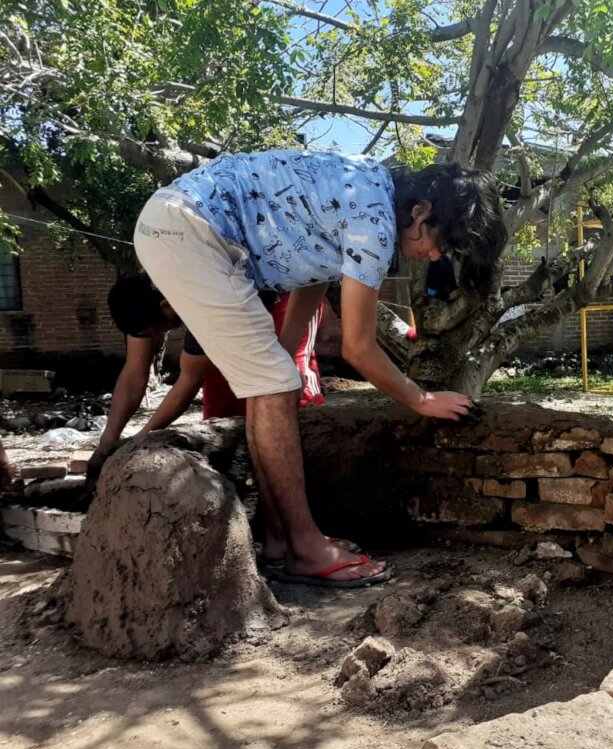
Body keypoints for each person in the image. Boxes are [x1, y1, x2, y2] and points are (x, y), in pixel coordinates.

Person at [109, 152, 507, 588]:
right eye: (440, 241)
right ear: (421, 210)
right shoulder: (373, 222)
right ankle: (304, 547)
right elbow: (358, 347)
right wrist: (422, 399)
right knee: (276, 383)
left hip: (177, 223)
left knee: (274, 381)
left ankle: (280, 540)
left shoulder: (367, 187)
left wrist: (283, 349)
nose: (434, 255)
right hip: (189, 231)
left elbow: (311, 271)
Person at [92, 287, 324, 463]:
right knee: (220, 404)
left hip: (283, 298)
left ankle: (307, 463)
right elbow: (134, 374)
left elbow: (188, 380)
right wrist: (107, 441)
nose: (158, 337)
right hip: (229, 297)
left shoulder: (203, 300)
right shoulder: (140, 300)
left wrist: (141, 439)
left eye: (158, 331)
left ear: (167, 305)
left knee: (280, 384)